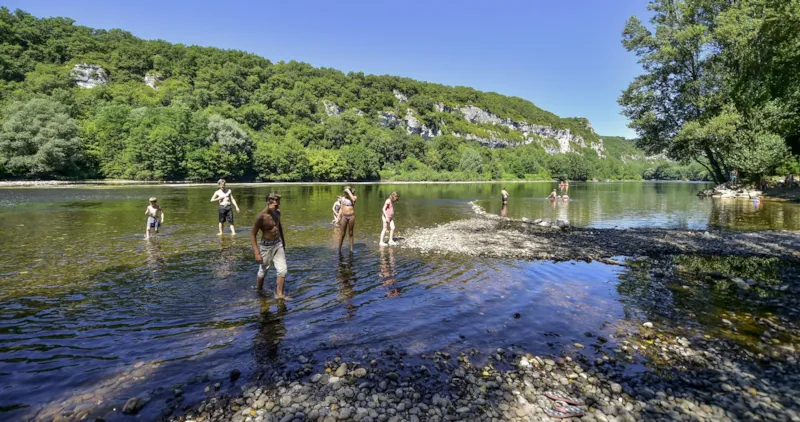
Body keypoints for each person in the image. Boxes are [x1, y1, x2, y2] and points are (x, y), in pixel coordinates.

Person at [250, 193, 288, 298]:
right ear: (268, 203)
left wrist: (283, 242)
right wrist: (256, 253)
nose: (278, 206)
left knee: (282, 270)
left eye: (279, 203)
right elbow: (253, 235)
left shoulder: (277, 212)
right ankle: (259, 289)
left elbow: (279, 226)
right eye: (275, 205)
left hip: (277, 244)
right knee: (263, 271)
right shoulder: (260, 217)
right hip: (266, 247)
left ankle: (280, 295)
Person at [338, 186, 357, 252]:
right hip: (344, 217)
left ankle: (351, 249)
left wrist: (349, 191)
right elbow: (341, 209)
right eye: (345, 192)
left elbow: (354, 200)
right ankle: (339, 249)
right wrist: (338, 218)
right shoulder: (343, 199)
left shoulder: (354, 197)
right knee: (342, 234)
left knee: (351, 233)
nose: (345, 193)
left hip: (351, 217)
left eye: (347, 192)